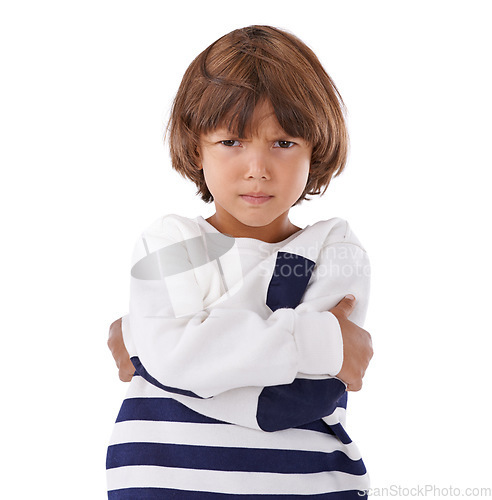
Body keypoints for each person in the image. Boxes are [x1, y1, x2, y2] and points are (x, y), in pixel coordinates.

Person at [106, 25, 373, 499]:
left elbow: (298, 397)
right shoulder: (170, 241)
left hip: (307, 486)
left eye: (284, 142)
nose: (257, 167)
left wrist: (153, 348)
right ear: (196, 148)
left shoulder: (333, 249)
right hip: (162, 483)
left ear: (317, 150)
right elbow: (180, 357)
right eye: (232, 141)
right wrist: (316, 340)